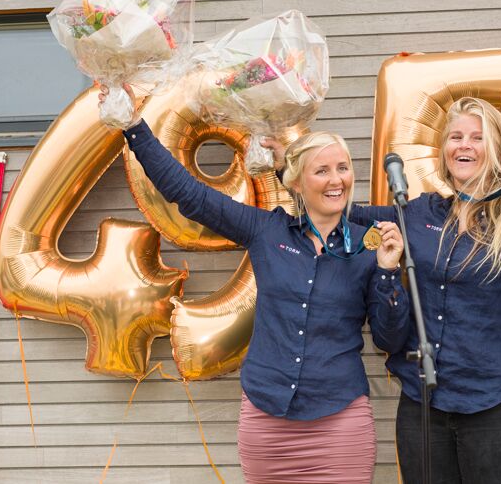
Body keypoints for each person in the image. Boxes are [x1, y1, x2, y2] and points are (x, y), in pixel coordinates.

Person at [268, 96, 501, 484]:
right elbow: (337, 208)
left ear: (499, 150)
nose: (464, 145)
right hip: (423, 407)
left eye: (477, 137)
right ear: (444, 150)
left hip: (493, 409)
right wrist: (291, 168)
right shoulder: (418, 213)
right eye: (455, 137)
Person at [100, 84, 411, 484]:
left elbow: (389, 338)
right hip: (267, 421)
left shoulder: (369, 248)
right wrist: (133, 127)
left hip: (339, 424)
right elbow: (188, 194)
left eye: (343, 168)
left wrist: (388, 271)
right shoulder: (267, 231)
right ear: (296, 182)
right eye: (322, 170)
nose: (337, 180)